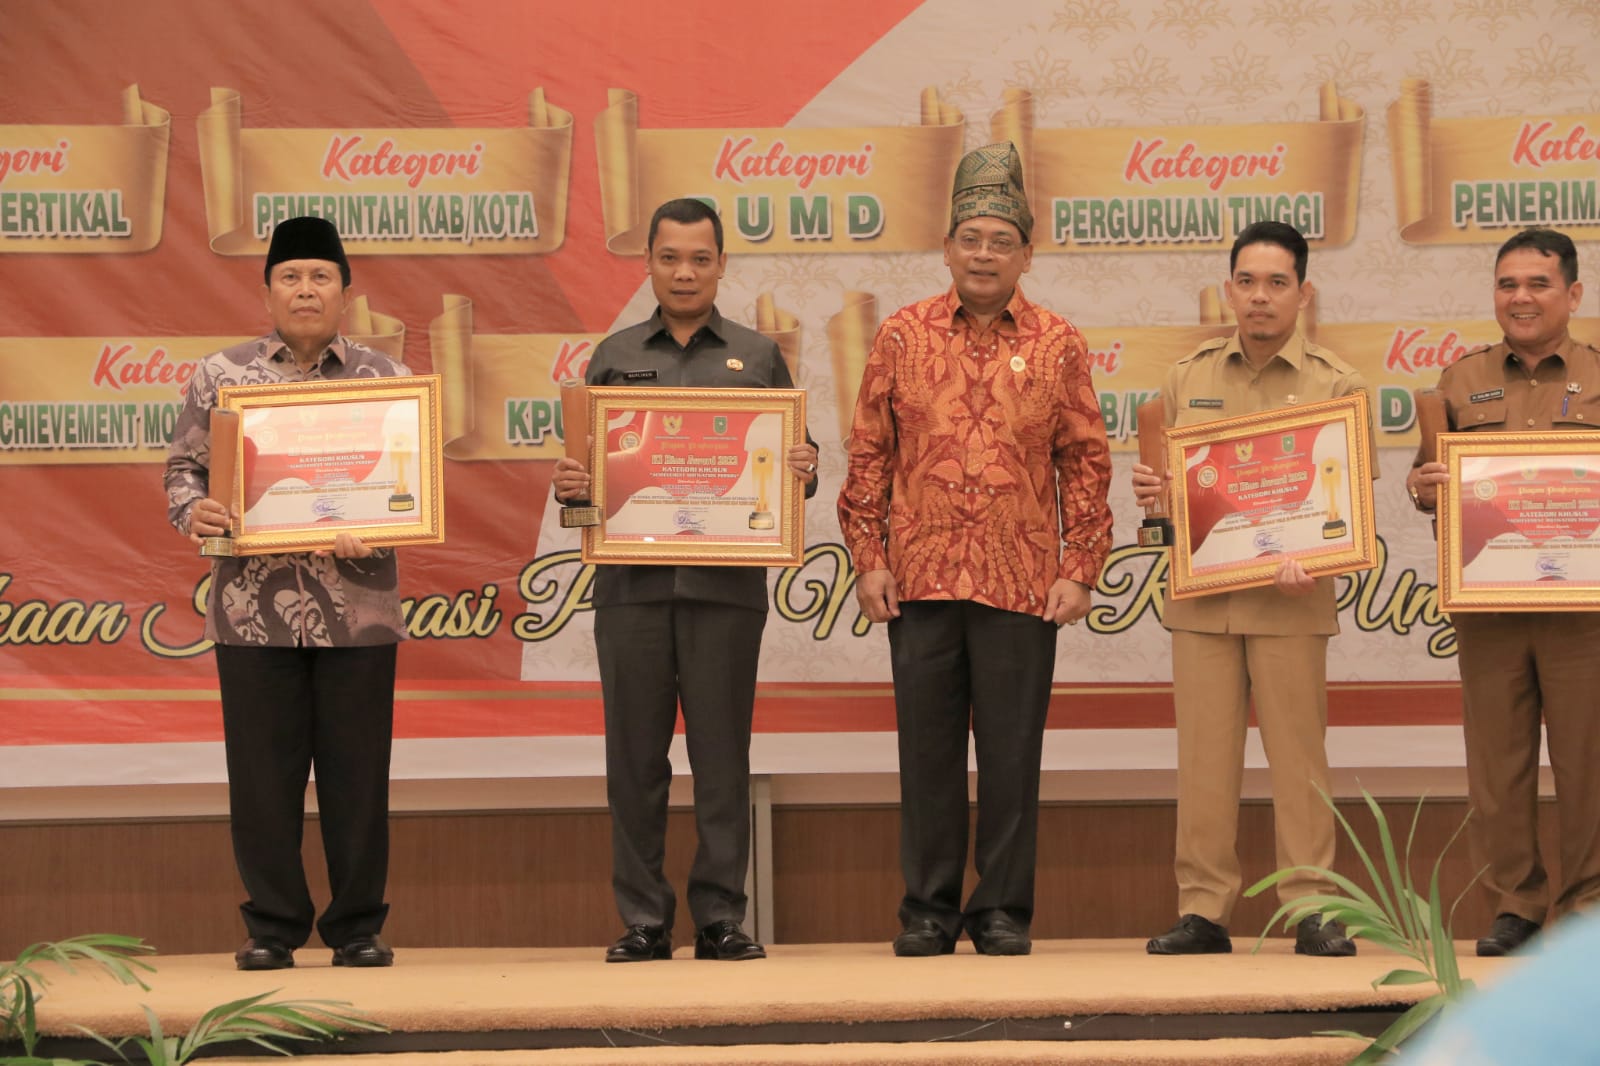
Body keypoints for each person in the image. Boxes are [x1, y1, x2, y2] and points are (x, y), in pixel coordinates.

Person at [838, 143, 1113, 958]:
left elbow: (1086, 460)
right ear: (947, 248)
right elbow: (869, 453)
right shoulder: (901, 335)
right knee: (926, 754)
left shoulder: (1059, 343)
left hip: (1022, 580)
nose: (984, 254)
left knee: (1010, 755)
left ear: (1027, 253)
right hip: (918, 578)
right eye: (971, 239)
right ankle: (927, 909)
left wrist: (1080, 568)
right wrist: (867, 556)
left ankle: (1000, 910)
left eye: (1001, 240)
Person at [553, 198, 819, 963]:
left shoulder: (758, 357)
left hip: (724, 592)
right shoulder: (612, 356)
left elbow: (792, 471)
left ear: (722, 265)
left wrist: (804, 469)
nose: (684, 272)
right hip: (630, 590)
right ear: (648, 263)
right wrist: (573, 488)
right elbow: (586, 495)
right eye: (669, 257)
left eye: (700, 258)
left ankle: (720, 918)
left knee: (721, 759)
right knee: (634, 762)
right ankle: (643, 920)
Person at [163, 217, 406, 971]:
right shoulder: (222, 375)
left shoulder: (386, 380)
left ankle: (357, 928)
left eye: (320, 276)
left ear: (346, 292)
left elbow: (409, 488)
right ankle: (271, 928)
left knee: (357, 779)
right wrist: (194, 511)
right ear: (267, 291)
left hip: (358, 609)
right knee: (262, 782)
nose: (306, 290)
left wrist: (381, 530)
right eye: (290, 277)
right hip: (251, 611)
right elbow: (183, 470)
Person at [1131, 221, 1368, 958]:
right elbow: (1170, 495)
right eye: (1247, 282)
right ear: (1228, 290)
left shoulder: (1337, 384)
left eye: (1276, 283)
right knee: (1204, 764)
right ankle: (1204, 911)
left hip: (1292, 599)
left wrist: (1320, 559)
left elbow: (1348, 502)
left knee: (1300, 764)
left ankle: (1314, 909)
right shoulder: (1187, 379)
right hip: (1203, 601)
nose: (1260, 296)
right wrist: (1155, 496)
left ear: (1304, 292)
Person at [1406, 226, 1600, 957]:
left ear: (1572, 293)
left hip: (1583, 613)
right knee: (1497, 766)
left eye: (1538, 284)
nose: (1521, 297)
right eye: (1507, 284)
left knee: (1590, 765)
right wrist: (1423, 487)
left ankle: (1588, 911)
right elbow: (1428, 480)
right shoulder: (1460, 380)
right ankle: (1516, 905)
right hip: (1489, 607)